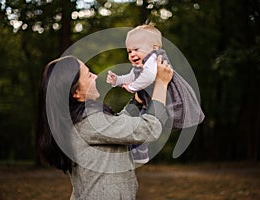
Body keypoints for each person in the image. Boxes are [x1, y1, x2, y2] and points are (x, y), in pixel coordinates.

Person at [36, 55, 173, 200]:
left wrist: (136, 103)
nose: (95, 76)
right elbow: (149, 129)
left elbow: (115, 126)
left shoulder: (79, 119)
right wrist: (161, 84)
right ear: (76, 93)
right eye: (89, 75)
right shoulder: (89, 121)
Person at [106, 24, 205, 164]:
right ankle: (139, 149)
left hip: (169, 95)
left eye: (136, 49)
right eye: (129, 51)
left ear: (154, 48)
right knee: (140, 122)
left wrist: (133, 88)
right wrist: (117, 80)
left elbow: (148, 77)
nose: (132, 54)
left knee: (158, 117)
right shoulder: (141, 64)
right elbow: (131, 76)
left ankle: (139, 149)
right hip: (152, 99)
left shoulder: (154, 58)